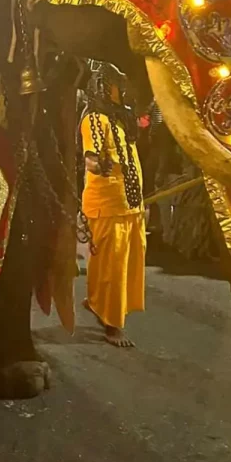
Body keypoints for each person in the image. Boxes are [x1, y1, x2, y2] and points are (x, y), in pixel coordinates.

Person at [80, 64, 146, 347]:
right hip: (109, 205)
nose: (126, 91)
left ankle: (97, 301)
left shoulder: (120, 120)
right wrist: (99, 165)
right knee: (113, 268)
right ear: (106, 88)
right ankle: (112, 324)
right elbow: (90, 158)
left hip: (130, 206)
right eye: (120, 85)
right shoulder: (94, 120)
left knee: (123, 265)